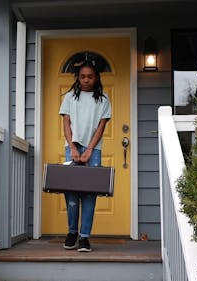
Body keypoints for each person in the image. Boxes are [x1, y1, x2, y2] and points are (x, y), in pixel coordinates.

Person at [58, 60, 111, 252]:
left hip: (93, 149)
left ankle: (85, 237)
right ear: (78, 78)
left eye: (90, 76)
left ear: (96, 78)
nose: (86, 80)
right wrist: (72, 147)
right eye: (82, 76)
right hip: (72, 147)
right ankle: (72, 232)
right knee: (71, 192)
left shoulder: (103, 100)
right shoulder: (70, 98)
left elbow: (101, 127)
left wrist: (89, 149)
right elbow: (66, 123)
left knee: (89, 193)